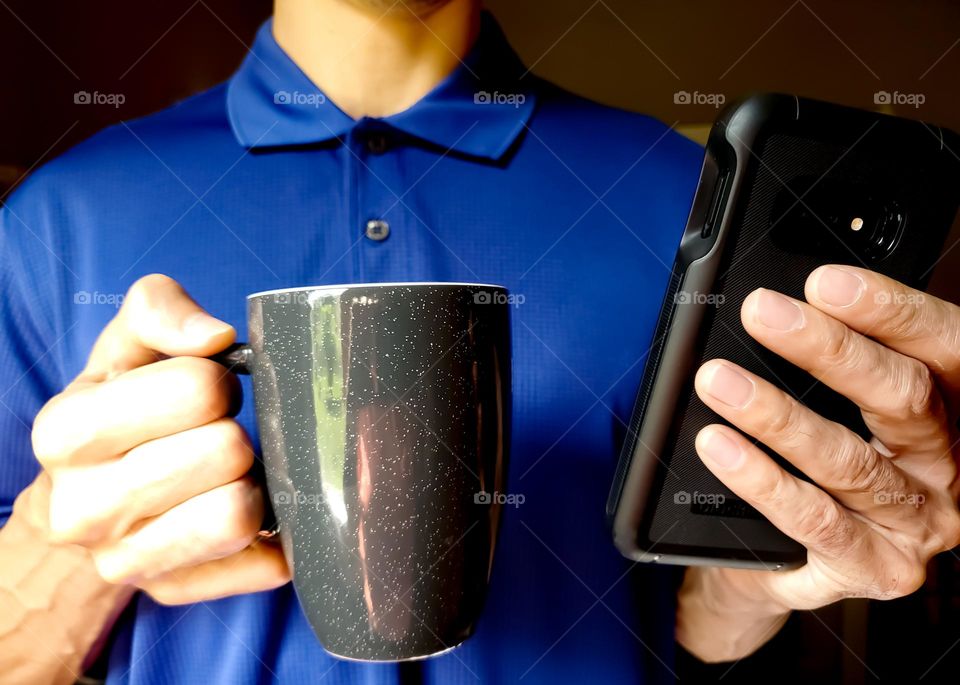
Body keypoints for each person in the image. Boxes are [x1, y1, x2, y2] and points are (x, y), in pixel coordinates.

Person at [1, 0, 958, 682]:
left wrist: (754, 590)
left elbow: (692, 625)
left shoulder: (681, 200)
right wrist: (64, 549)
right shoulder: (55, 218)